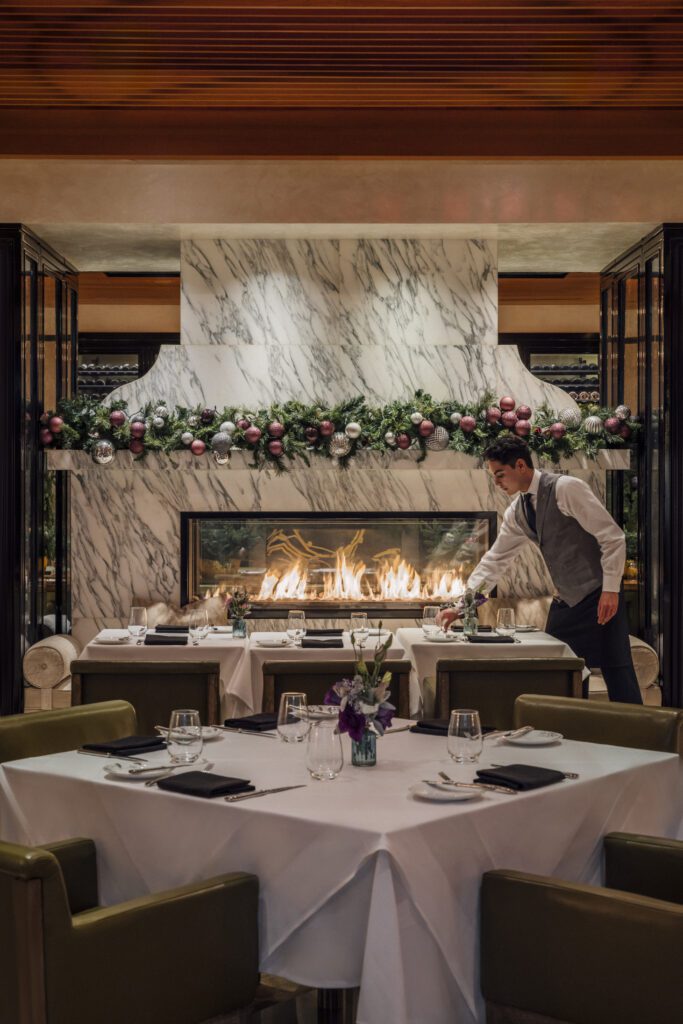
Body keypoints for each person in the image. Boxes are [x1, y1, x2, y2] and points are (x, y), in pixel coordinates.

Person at [439, 435, 642, 704]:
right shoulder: (517, 511)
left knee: (618, 673)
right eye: (493, 476)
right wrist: (462, 606)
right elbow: (495, 560)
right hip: (566, 601)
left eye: (500, 474)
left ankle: (638, 729)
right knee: (557, 675)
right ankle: (569, 727)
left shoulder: (567, 488)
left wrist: (611, 590)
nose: (497, 482)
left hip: (599, 595)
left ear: (521, 465)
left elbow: (612, 537)